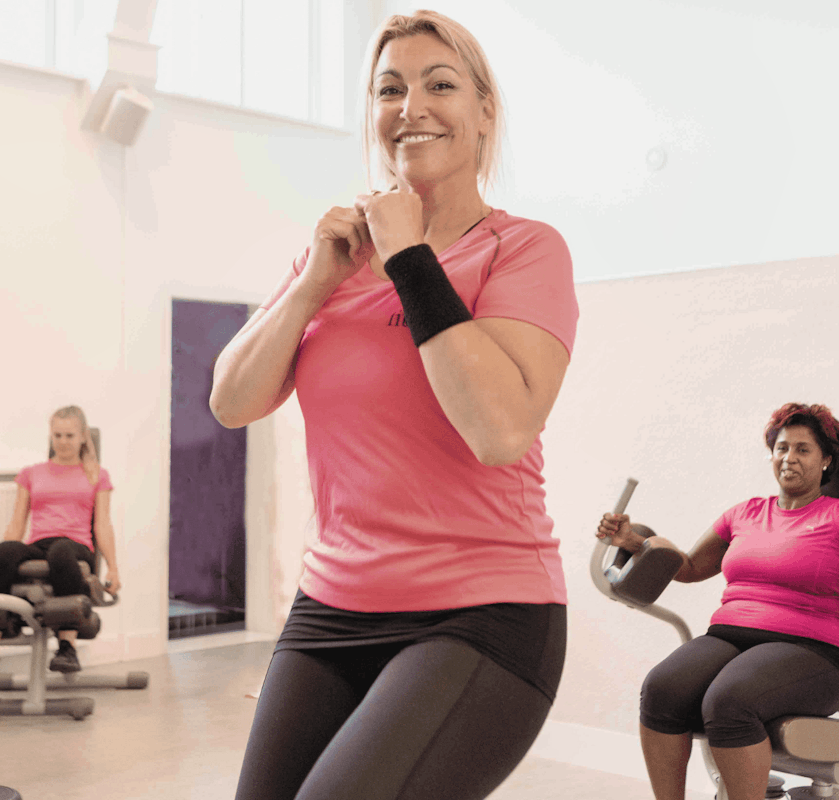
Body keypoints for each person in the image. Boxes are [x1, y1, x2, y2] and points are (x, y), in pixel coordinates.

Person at [210, 10, 577, 800]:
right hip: (332, 606)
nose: (411, 106)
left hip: (483, 609)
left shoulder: (521, 249)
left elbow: (500, 428)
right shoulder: (335, 260)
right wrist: (315, 280)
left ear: (485, 112)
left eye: (439, 84)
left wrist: (410, 254)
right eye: (390, 89)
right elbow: (232, 400)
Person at [596, 403, 839, 800]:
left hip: (813, 653)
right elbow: (688, 567)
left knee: (729, 700)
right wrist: (634, 543)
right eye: (781, 448)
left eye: (803, 449)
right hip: (729, 636)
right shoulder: (745, 512)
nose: (788, 458)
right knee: (661, 688)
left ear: (827, 460)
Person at [0, 405, 121, 676]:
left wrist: (113, 568)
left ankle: (67, 648)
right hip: (39, 543)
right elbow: (17, 523)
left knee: (60, 551)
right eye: (57, 435)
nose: (62, 442)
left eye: (69, 436)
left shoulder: (97, 474)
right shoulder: (31, 473)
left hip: (75, 546)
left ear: (83, 436)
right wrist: (4, 557)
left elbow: (103, 525)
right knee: (6, 550)